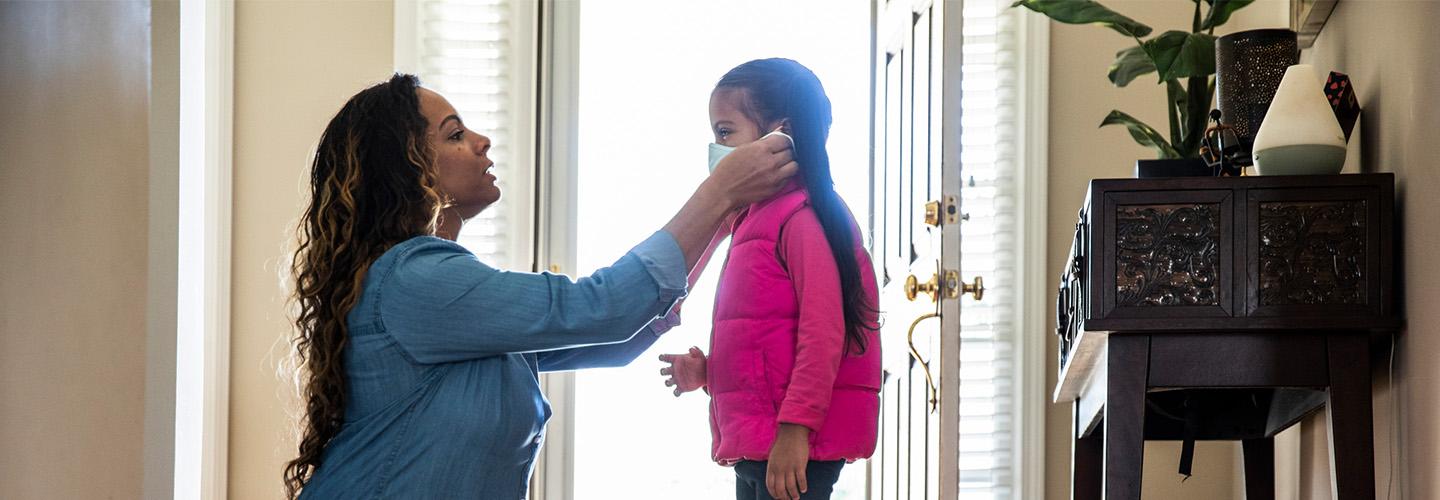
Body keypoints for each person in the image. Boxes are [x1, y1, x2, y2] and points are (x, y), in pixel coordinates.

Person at [282, 73, 796, 499]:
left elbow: (615, 339)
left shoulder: (447, 294)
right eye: (454, 134)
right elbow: (604, 307)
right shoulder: (417, 279)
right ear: (407, 167)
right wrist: (717, 194)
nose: (482, 141)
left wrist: (720, 213)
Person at [658, 58, 882, 500]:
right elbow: (764, 337)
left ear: (780, 134)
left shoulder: (801, 218)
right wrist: (711, 374)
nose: (716, 146)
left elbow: (824, 334)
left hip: (794, 445)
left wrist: (796, 430)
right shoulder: (752, 219)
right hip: (760, 443)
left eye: (725, 132)